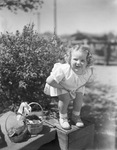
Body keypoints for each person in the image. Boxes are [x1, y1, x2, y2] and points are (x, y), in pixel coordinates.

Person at [44, 44, 94, 130]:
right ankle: (63, 117)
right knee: (65, 98)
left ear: (87, 62)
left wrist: (76, 88)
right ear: (69, 59)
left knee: (79, 97)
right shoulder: (64, 70)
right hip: (61, 84)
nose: (78, 62)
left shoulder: (87, 71)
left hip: (76, 85)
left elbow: (83, 81)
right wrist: (65, 88)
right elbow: (49, 81)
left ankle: (76, 116)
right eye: (75, 59)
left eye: (82, 60)